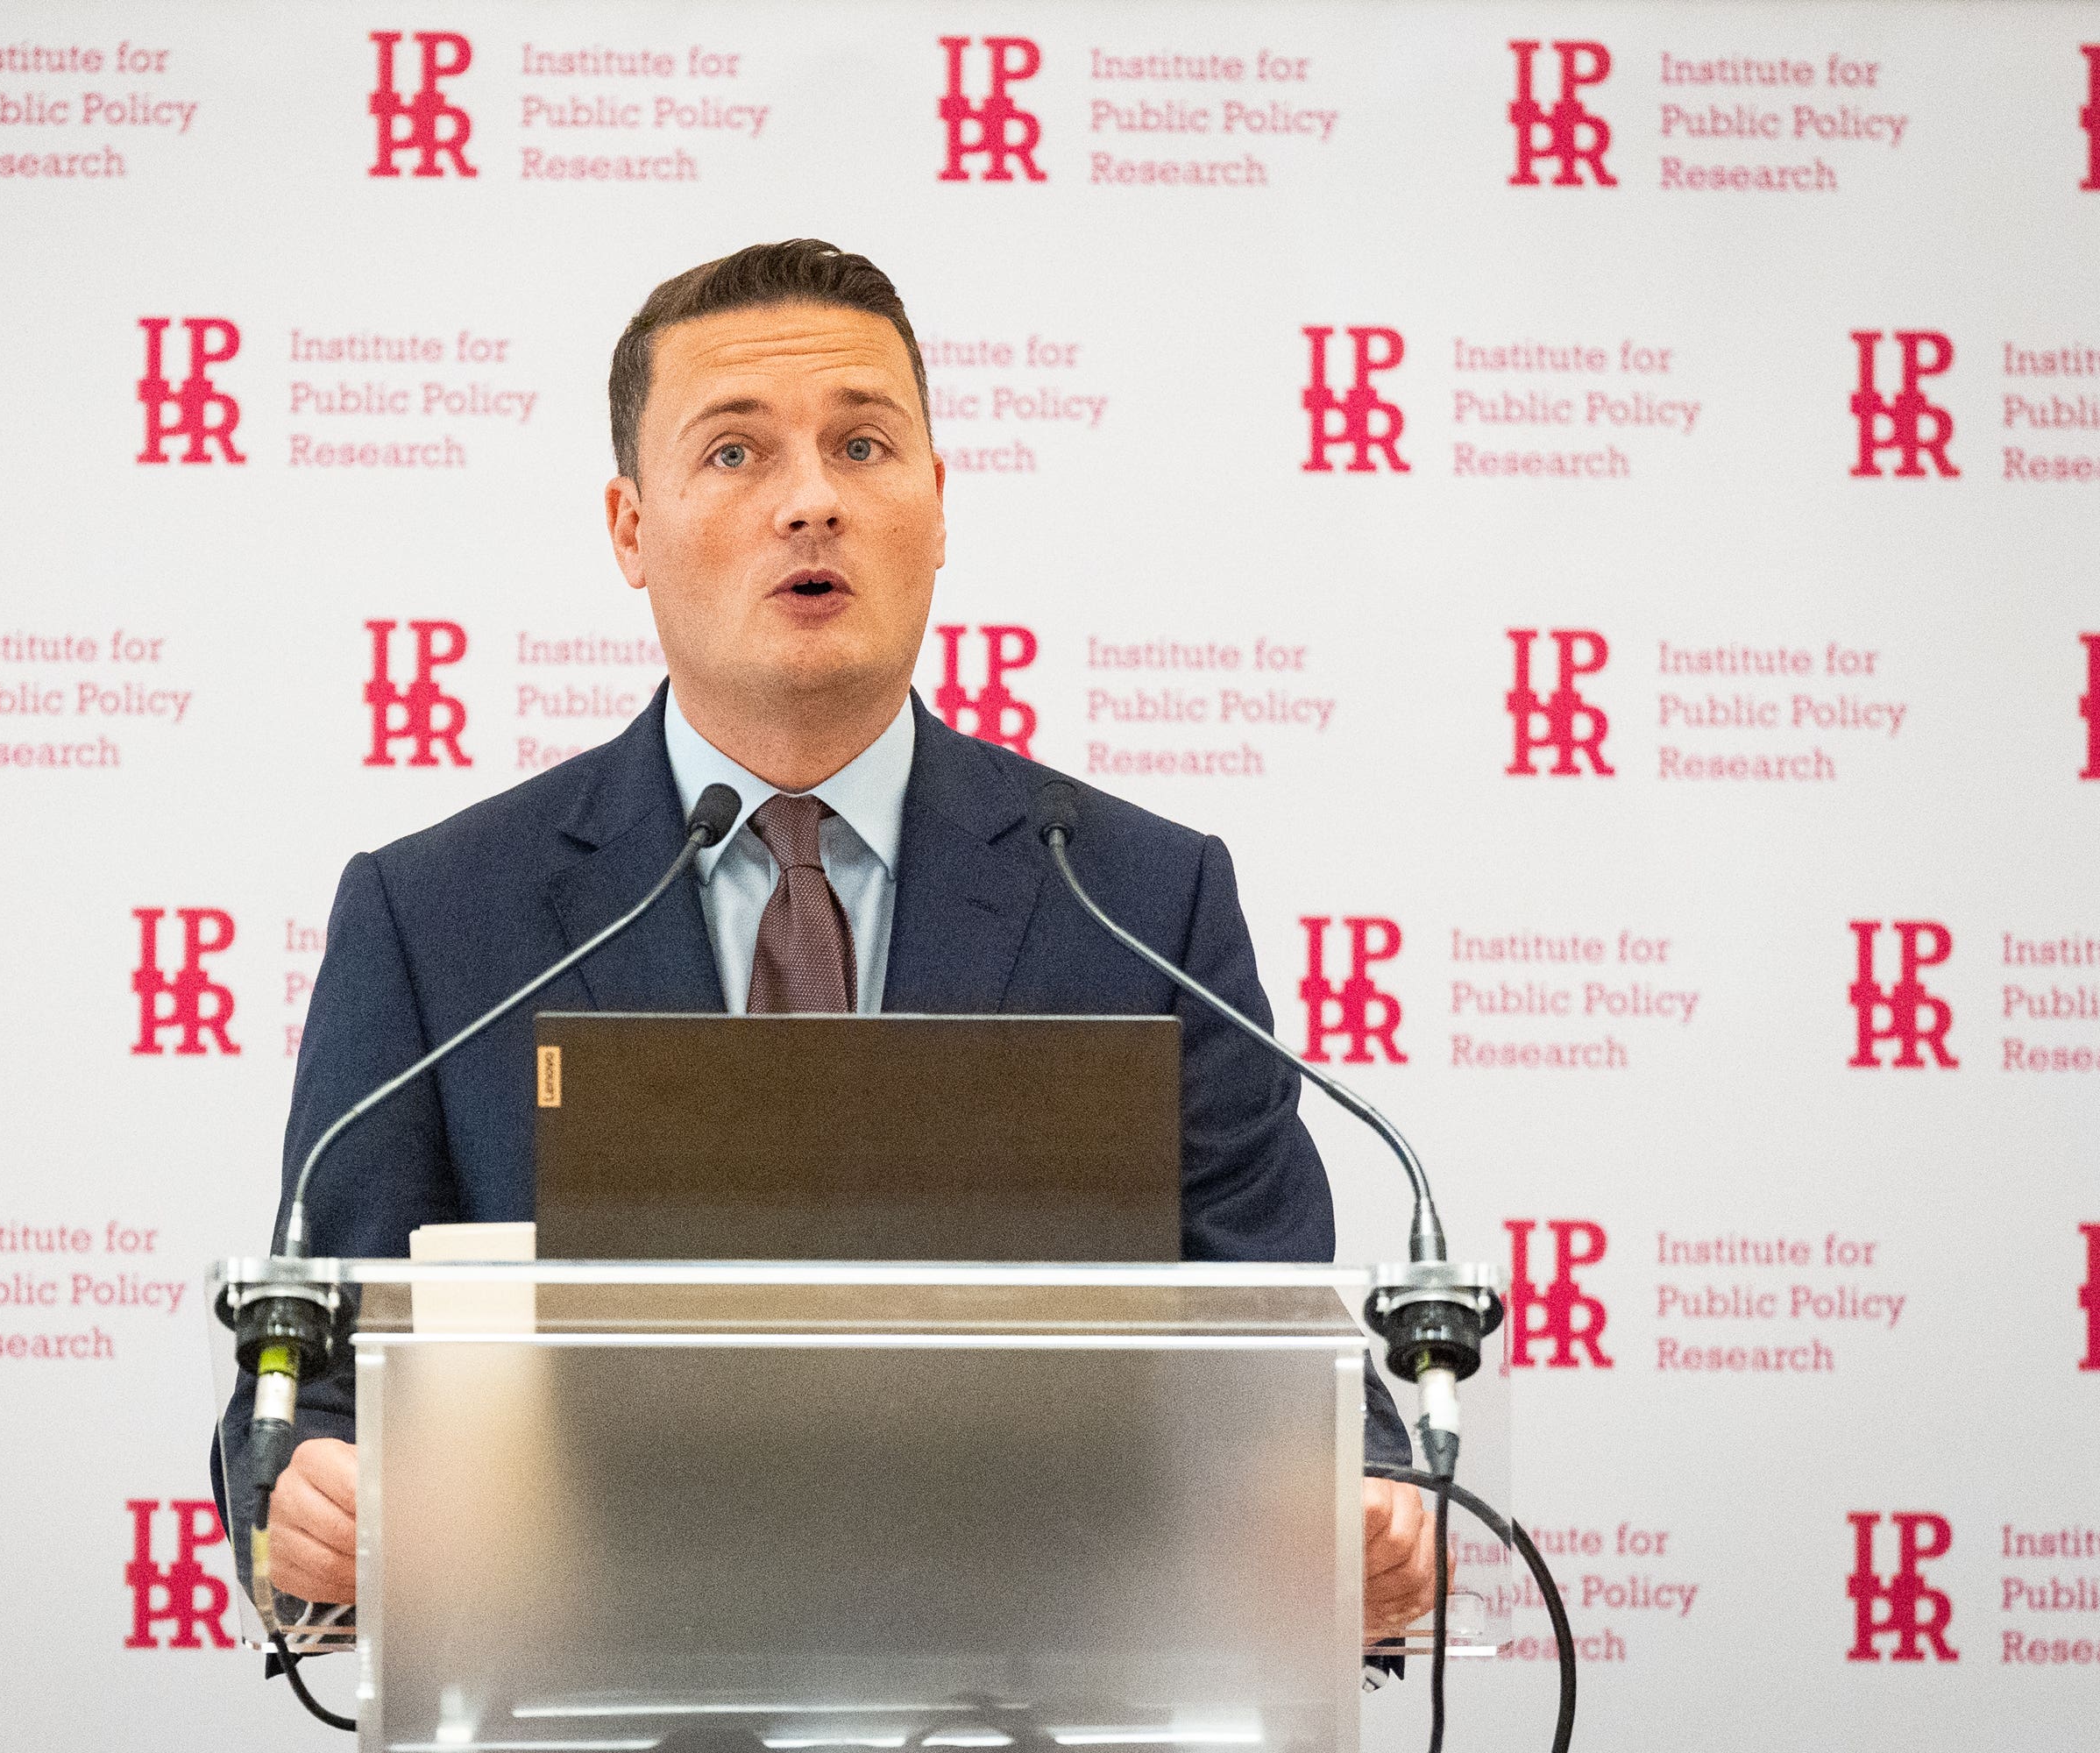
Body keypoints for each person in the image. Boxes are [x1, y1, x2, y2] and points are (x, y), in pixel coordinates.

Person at [224, 239, 1436, 1640]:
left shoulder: (1138, 899)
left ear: (937, 504)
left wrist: (1374, 1508)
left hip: (1037, 1687)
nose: (811, 501)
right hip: (582, 1684)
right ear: (629, 527)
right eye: (735, 456)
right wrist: (301, 1500)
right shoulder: (437, 915)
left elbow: (1291, 1358)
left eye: (863, 445)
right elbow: (301, 1390)